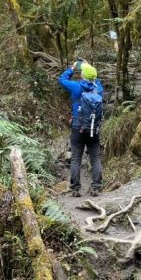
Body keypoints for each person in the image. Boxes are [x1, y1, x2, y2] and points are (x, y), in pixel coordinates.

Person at [58, 61, 104, 197]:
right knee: (95, 158)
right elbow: (96, 80)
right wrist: (90, 67)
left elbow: (62, 80)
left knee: (76, 159)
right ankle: (96, 187)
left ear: (83, 75)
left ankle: (75, 189)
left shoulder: (76, 87)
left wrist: (72, 68)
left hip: (78, 127)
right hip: (93, 128)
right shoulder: (98, 88)